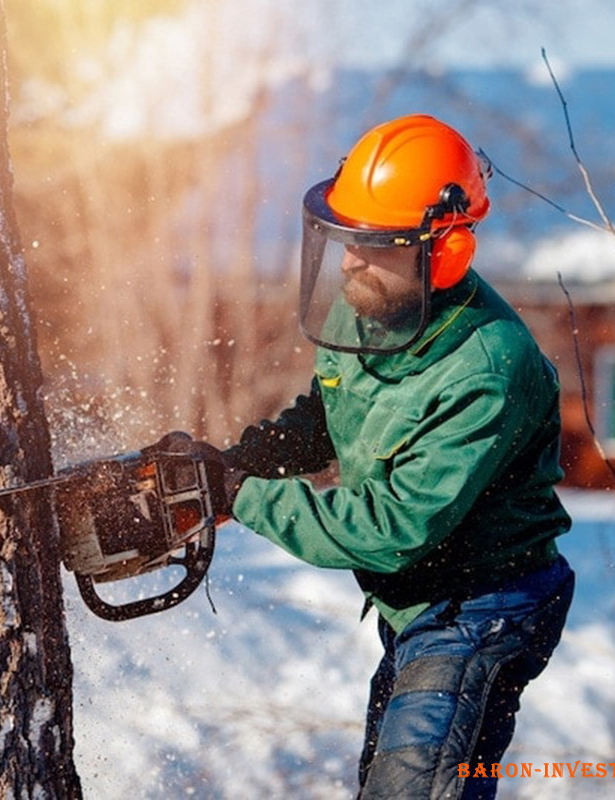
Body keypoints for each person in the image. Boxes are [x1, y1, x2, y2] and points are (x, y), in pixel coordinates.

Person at [153, 114, 574, 799]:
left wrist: (242, 497)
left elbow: (392, 528)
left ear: (443, 253)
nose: (349, 262)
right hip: (420, 600)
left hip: (483, 604)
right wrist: (240, 463)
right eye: (342, 238)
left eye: (372, 245)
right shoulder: (377, 302)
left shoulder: (488, 370)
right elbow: (328, 414)